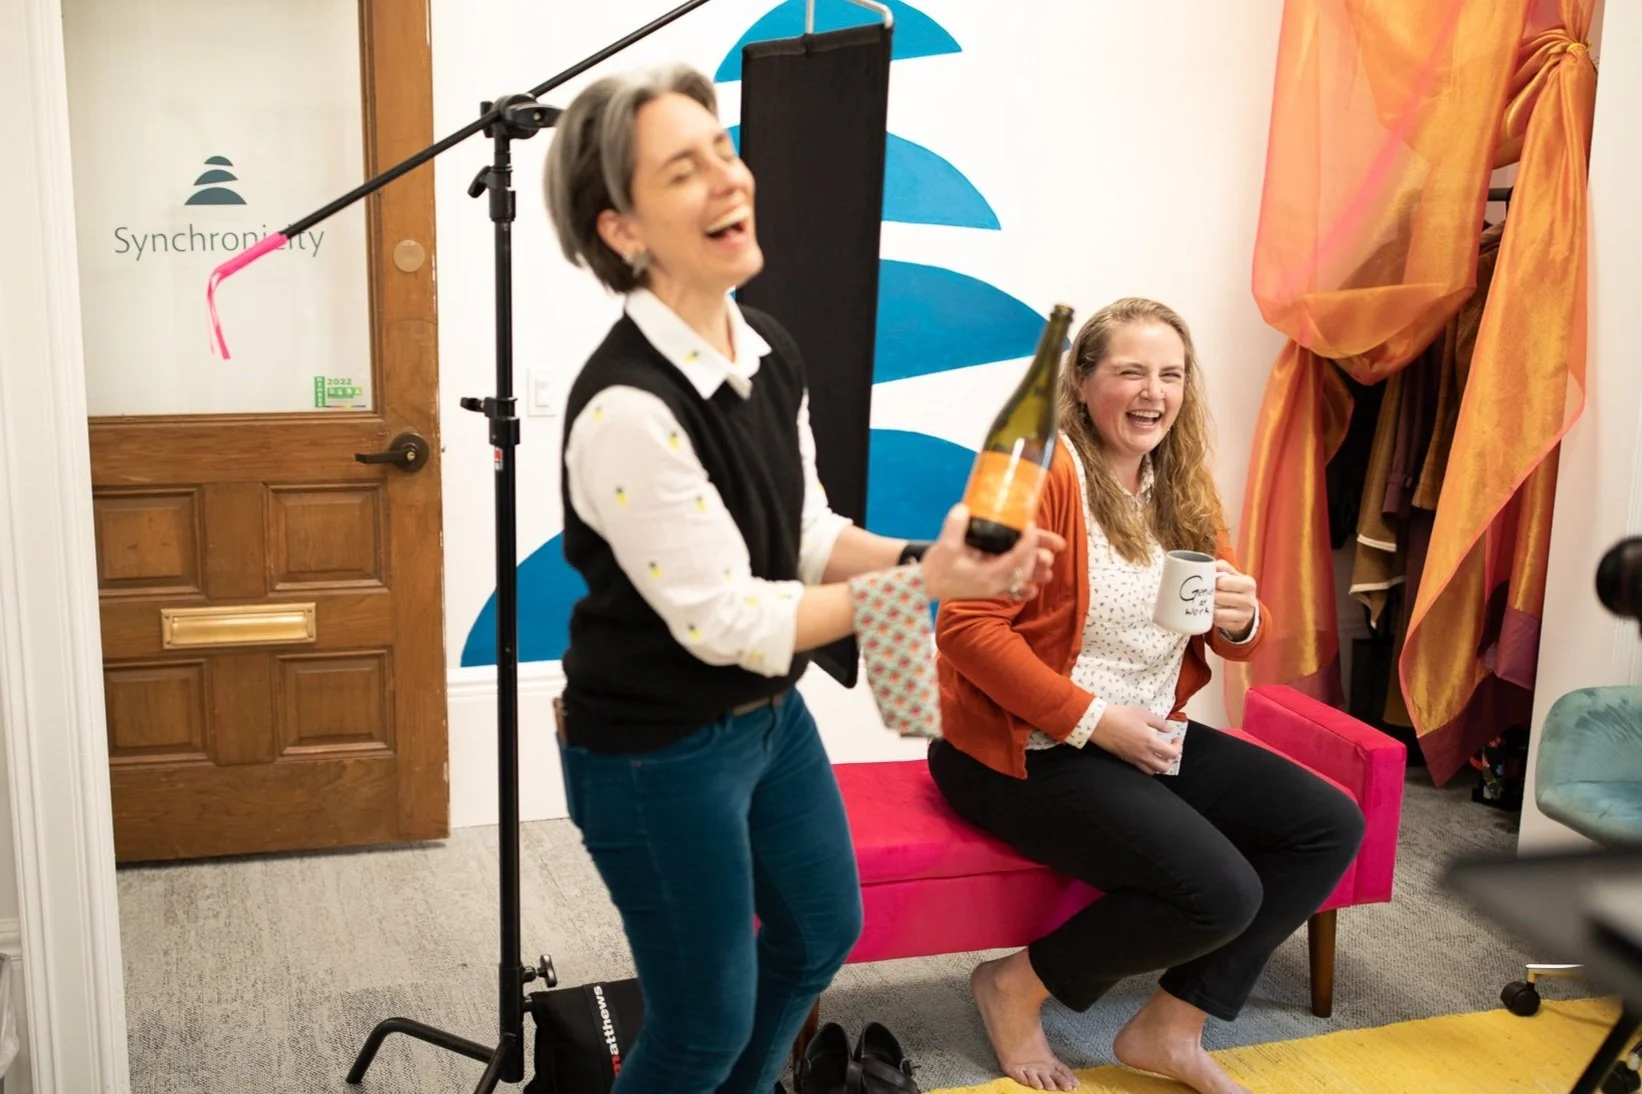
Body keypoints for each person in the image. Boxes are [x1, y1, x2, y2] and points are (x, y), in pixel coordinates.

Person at [541, 63, 1063, 1094]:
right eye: (684, 170)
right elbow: (730, 619)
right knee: (698, 1021)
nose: (729, 180)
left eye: (724, 150)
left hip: (766, 721)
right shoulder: (625, 412)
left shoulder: (768, 347)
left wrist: (938, 561)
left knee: (822, 929)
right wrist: (926, 583)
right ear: (622, 230)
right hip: (655, 755)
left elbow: (811, 533)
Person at [928, 298, 1366, 1094]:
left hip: (1144, 734)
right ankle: (1013, 985)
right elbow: (964, 627)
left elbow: (1222, 630)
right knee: (1221, 892)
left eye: (1170, 374)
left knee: (1326, 824)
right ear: (1084, 382)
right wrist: (1098, 724)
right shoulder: (1037, 473)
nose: (1152, 392)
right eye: (1130, 371)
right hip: (1025, 747)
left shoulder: (1180, 482)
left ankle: (1170, 1026)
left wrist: (1243, 619)